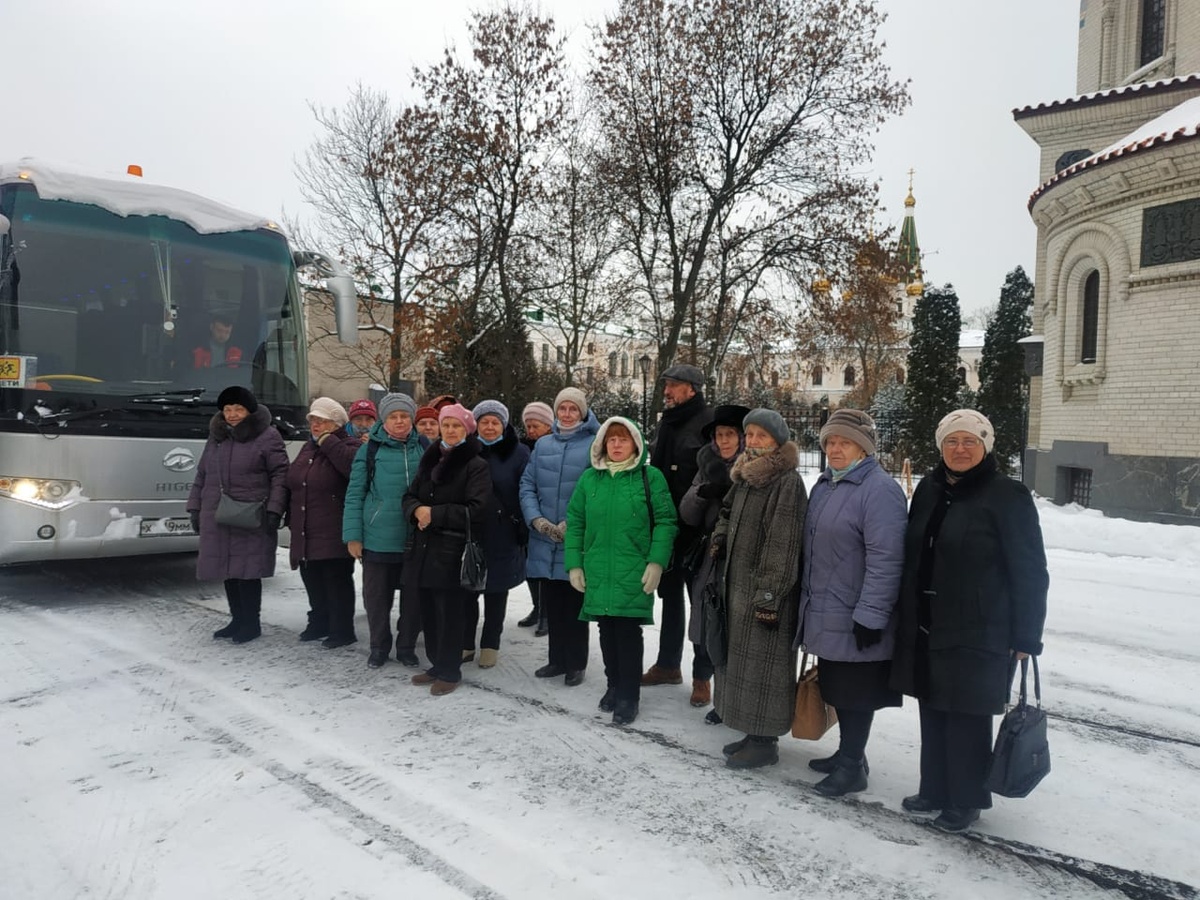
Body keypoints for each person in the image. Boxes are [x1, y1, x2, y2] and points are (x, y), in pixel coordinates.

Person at [891, 409, 1048, 833]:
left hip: (982, 626)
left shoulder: (1007, 495)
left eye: (969, 441)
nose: (960, 449)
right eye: (952, 441)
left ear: (985, 446)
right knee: (932, 706)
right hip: (928, 621)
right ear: (941, 446)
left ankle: (966, 799)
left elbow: (1030, 570)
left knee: (967, 715)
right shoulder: (930, 488)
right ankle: (934, 788)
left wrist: (1026, 636)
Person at [795, 409, 907, 797]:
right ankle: (849, 755)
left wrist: (872, 615)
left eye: (845, 442)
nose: (835, 449)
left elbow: (887, 559)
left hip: (857, 613)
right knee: (838, 688)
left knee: (856, 693)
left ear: (864, 449)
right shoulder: (826, 484)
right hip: (828, 609)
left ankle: (852, 766)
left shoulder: (879, 491)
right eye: (830, 442)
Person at [710, 409, 807, 769]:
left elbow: (783, 544)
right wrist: (720, 538)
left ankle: (765, 743)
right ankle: (752, 733)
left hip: (766, 594)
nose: (752, 441)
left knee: (764, 668)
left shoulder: (786, 482)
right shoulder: (745, 474)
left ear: (777, 441)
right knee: (743, 663)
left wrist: (769, 595)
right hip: (738, 586)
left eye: (761, 436)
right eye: (749, 434)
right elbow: (726, 512)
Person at [565, 417, 677, 725]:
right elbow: (576, 522)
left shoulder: (650, 478)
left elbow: (666, 522)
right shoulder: (590, 479)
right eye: (611, 439)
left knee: (627, 632)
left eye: (623, 439)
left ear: (636, 445)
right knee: (606, 629)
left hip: (633, 569)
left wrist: (656, 562)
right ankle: (613, 684)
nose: (616, 445)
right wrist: (574, 563)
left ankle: (629, 694)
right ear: (602, 444)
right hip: (598, 568)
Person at [187, 386, 289, 644]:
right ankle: (237, 619)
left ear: (249, 411)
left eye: (238, 409)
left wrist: (275, 509)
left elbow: (280, 475)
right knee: (228, 569)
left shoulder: (268, 436)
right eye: (228, 409)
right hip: (219, 513)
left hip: (251, 515)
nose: (232, 415)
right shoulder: (217, 437)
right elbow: (202, 474)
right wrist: (195, 507)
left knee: (248, 571)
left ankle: (251, 623)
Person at [402, 404, 492, 696]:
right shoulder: (430, 458)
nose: (450, 430)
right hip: (424, 548)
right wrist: (416, 510)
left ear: (467, 430)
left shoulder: (475, 464)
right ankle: (436, 664)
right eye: (446, 425)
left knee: (450, 614)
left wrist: (434, 513)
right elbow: (409, 495)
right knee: (428, 611)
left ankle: (450, 670)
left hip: (452, 551)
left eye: (456, 426)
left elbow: (477, 510)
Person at [519, 387, 600, 686]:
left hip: (576, 537)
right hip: (544, 536)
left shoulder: (594, 444)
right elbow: (527, 485)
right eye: (562, 408)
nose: (567, 414)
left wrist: (573, 523)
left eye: (573, 409)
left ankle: (575, 662)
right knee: (552, 602)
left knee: (574, 603)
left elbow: (597, 488)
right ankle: (556, 660)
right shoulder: (543, 445)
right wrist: (536, 520)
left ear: (582, 412)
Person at [342, 392, 426, 668]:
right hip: (378, 537)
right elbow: (355, 494)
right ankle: (378, 647)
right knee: (377, 600)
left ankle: (406, 647)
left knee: (413, 599)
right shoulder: (369, 450)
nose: (399, 421)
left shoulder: (424, 447)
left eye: (404, 416)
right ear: (383, 420)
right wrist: (353, 536)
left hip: (415, 538)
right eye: (393, 416)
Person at [643, 363, 713, 689]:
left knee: (700, 604)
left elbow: (714, 475)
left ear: (692, 389)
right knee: (670, 600)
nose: (667, 391)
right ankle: (668, 665)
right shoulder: (666, 423)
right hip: (665, 528)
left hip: (697, 532)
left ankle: (702, 676)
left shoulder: (708, 423)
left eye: (673, 385)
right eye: (666, 385)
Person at [678, 404, 749, 722]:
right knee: (704, 620)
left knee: (733, 627)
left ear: (742, 437)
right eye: (719, 435)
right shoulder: (706, 464)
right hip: (708, 555)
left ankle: (729, 695)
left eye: (730, 434)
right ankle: (701, 678)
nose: (724, 441)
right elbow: (687, 513)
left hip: (739, 557)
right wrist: (702, 493)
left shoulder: (752, 467)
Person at [286, 397, 361, 648]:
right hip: (305, 527)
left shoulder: (350, 445)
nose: (315, 425)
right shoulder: (308, 448)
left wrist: (329, 442)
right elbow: (294, 480)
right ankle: (319, 622)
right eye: (313, 420)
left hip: (334, 527)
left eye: (322, 421)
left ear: (336, 423)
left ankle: (342, 630)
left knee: (336, 581)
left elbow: (352, 468)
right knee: (312, 578)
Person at [465, 400, 531, 668]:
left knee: (496, 590)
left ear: (504, 425)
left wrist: (522, 524)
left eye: (495, 422)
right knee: (467, 588)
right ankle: (466, 643)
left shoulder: (519, 452)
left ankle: (490, 644)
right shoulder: (465, 449)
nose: (490, 427)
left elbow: (526, 489)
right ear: (476, 424)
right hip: (469, 529)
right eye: (484, 422)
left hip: (503, 530)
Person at [517, 400, 555, 632]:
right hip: (527, 512)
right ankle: (537, 606)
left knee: (547, 567)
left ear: (548, 425)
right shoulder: (523, 447)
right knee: (531, 566)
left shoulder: (554, 446)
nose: (531, 430)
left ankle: (547, 613)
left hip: (550, 514)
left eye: (536, 426)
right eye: (528, 426)